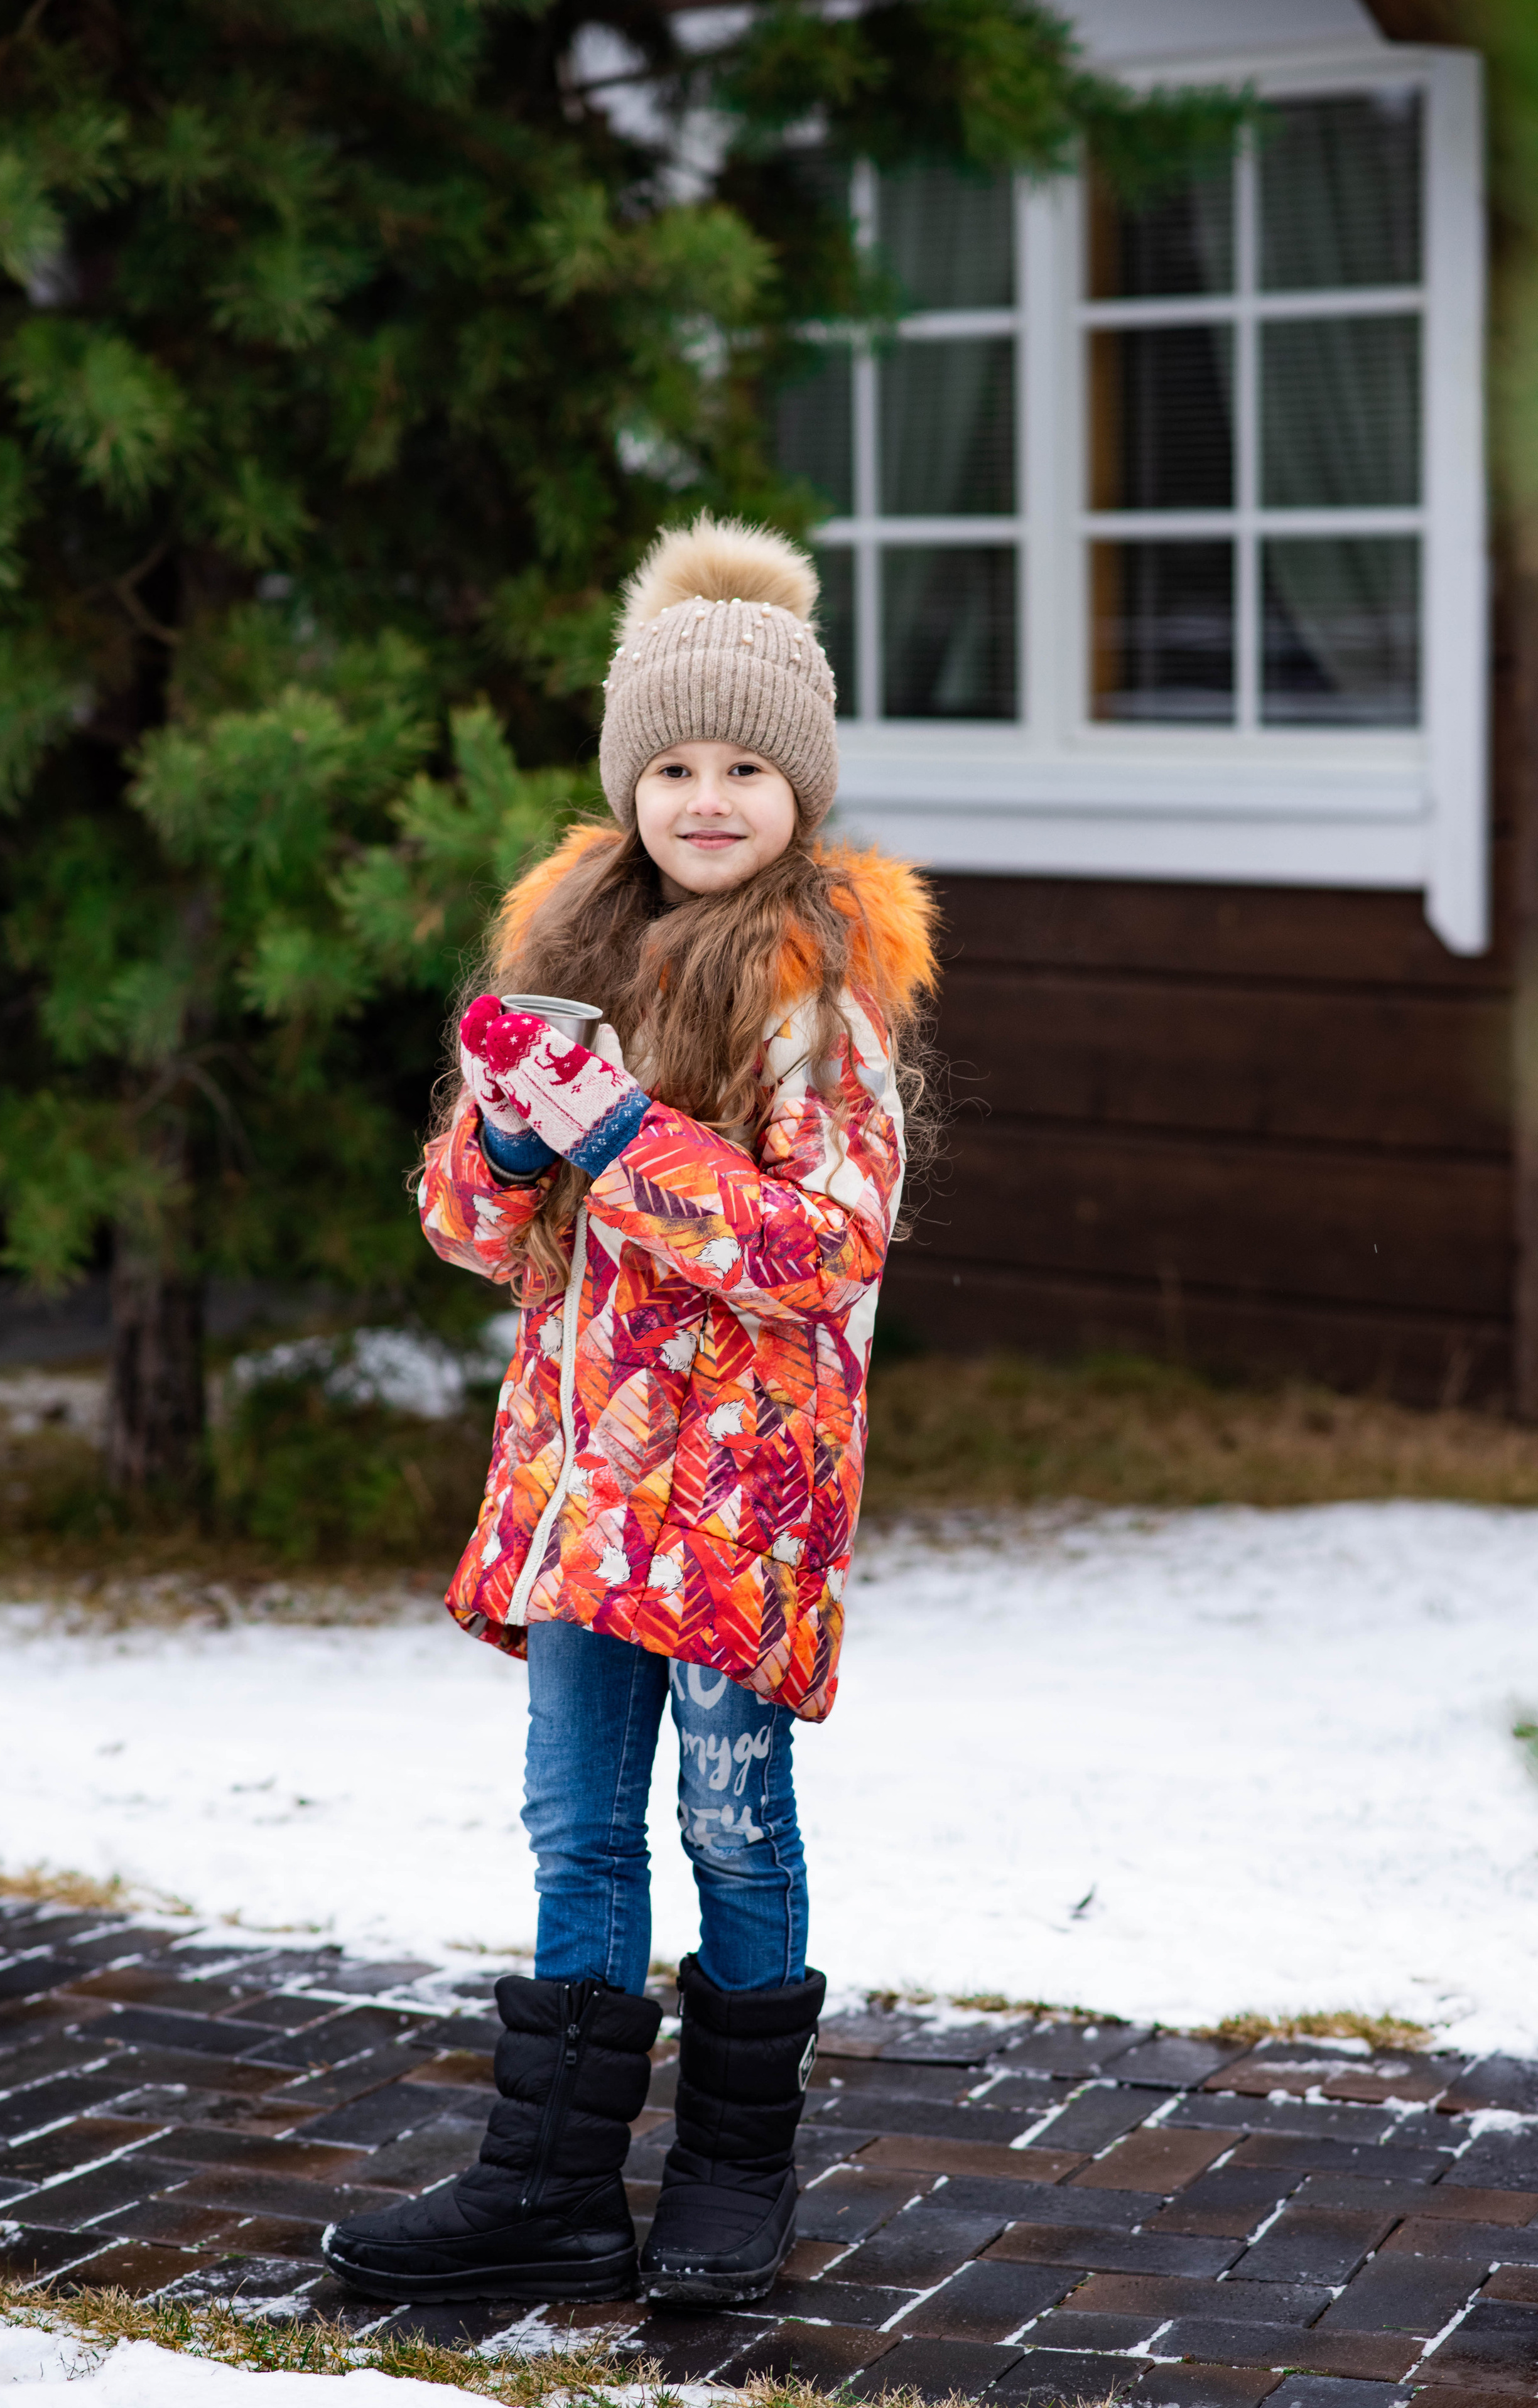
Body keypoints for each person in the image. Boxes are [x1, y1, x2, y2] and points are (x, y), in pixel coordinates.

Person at [323, 514, 935, 2312]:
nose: (708, 796)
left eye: (747, 765)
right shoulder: (571, 948)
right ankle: (550, 2183)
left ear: (799, 787)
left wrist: (615, 1133)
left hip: (738, 1497)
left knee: (733, 1820)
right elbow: (464, 1228)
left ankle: (734, 2172)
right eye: (674, 763)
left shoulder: (820, 993)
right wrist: (510, 1136)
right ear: (631, 780)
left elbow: (825, 1243)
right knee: (578, 1826)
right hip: (588, 1489)